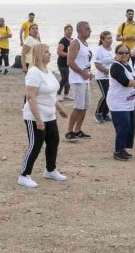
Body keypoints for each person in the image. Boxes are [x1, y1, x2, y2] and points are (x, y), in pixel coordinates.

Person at [19, 44, 68, 188]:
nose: (49, 54)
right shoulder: (33, 72)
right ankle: (24, 175)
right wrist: (38, 119)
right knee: (36, 144)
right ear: (39, 54)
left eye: (49, 52)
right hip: (35, 116)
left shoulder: (47, 71)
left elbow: (51, 94)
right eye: (46, 52)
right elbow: (31, 97)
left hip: (50, 114)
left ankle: (50, 170)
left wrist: (60, 109)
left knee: (54, 141)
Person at [65, 21, 93, 142]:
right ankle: (69, 132)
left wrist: (88, 73)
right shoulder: (75, 43)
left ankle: (78, 130)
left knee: (85, 106)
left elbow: (84, 62)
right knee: (78, 107)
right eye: (87, 29)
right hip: (77, 80)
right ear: (80, 30)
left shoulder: (85, 44)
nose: (90, 31)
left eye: (89, 29)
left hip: (85, 80)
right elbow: (70, 62)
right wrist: (82, 73)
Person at [93, 30, 114, 124]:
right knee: (106, 95)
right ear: (102, 40)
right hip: (102, 77)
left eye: (111, 38)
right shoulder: (99, 50)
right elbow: (97, 65)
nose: (110, 40)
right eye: (108, 38)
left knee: (111, 96)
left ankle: (105, 114)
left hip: (112, 77)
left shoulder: (112, 49)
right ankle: (98, 113)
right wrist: (108, 71)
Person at [56, 24, 73, 100]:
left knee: (67, 79)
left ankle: (66, 95)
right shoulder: (63, 40)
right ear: (65, 31)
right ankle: (58, 94)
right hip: (62, 63)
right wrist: (69, 55)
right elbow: (59, 52)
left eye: (71, 30)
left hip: (70, 63)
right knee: (65, 79)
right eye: (68, 30)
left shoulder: (72, 40)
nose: (69, 31)